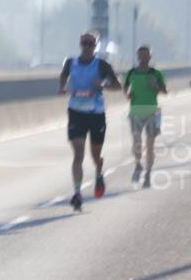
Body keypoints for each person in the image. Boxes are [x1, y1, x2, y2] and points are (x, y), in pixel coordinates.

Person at [57, 31, 122, 211]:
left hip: (96, 114)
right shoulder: (71, 62)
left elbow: (118, 85)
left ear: (95, 47)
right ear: (80, 45)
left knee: (95, 155)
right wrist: (62, 87)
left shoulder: (102, 65)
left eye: (90, 44)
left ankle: (99, 172)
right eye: (83, 43)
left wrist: (103, 85)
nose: (86, 47)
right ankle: (77, 193)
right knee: (78, 153)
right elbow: (64, 75)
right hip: (76, 112)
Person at [124, 46, 168, 188]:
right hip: (135, 112)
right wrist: (128, 94)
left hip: (153, 112)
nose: (143, 58)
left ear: (150, 57)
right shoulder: (131, 72)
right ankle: (138, 164)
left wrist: (155, 86)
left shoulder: (156, 73)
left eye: (146, 55)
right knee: (137, 142)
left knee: (150, 145)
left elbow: (165, 91)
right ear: (138, 57)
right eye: (140, 55)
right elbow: (125, 88)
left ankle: (148, 174)